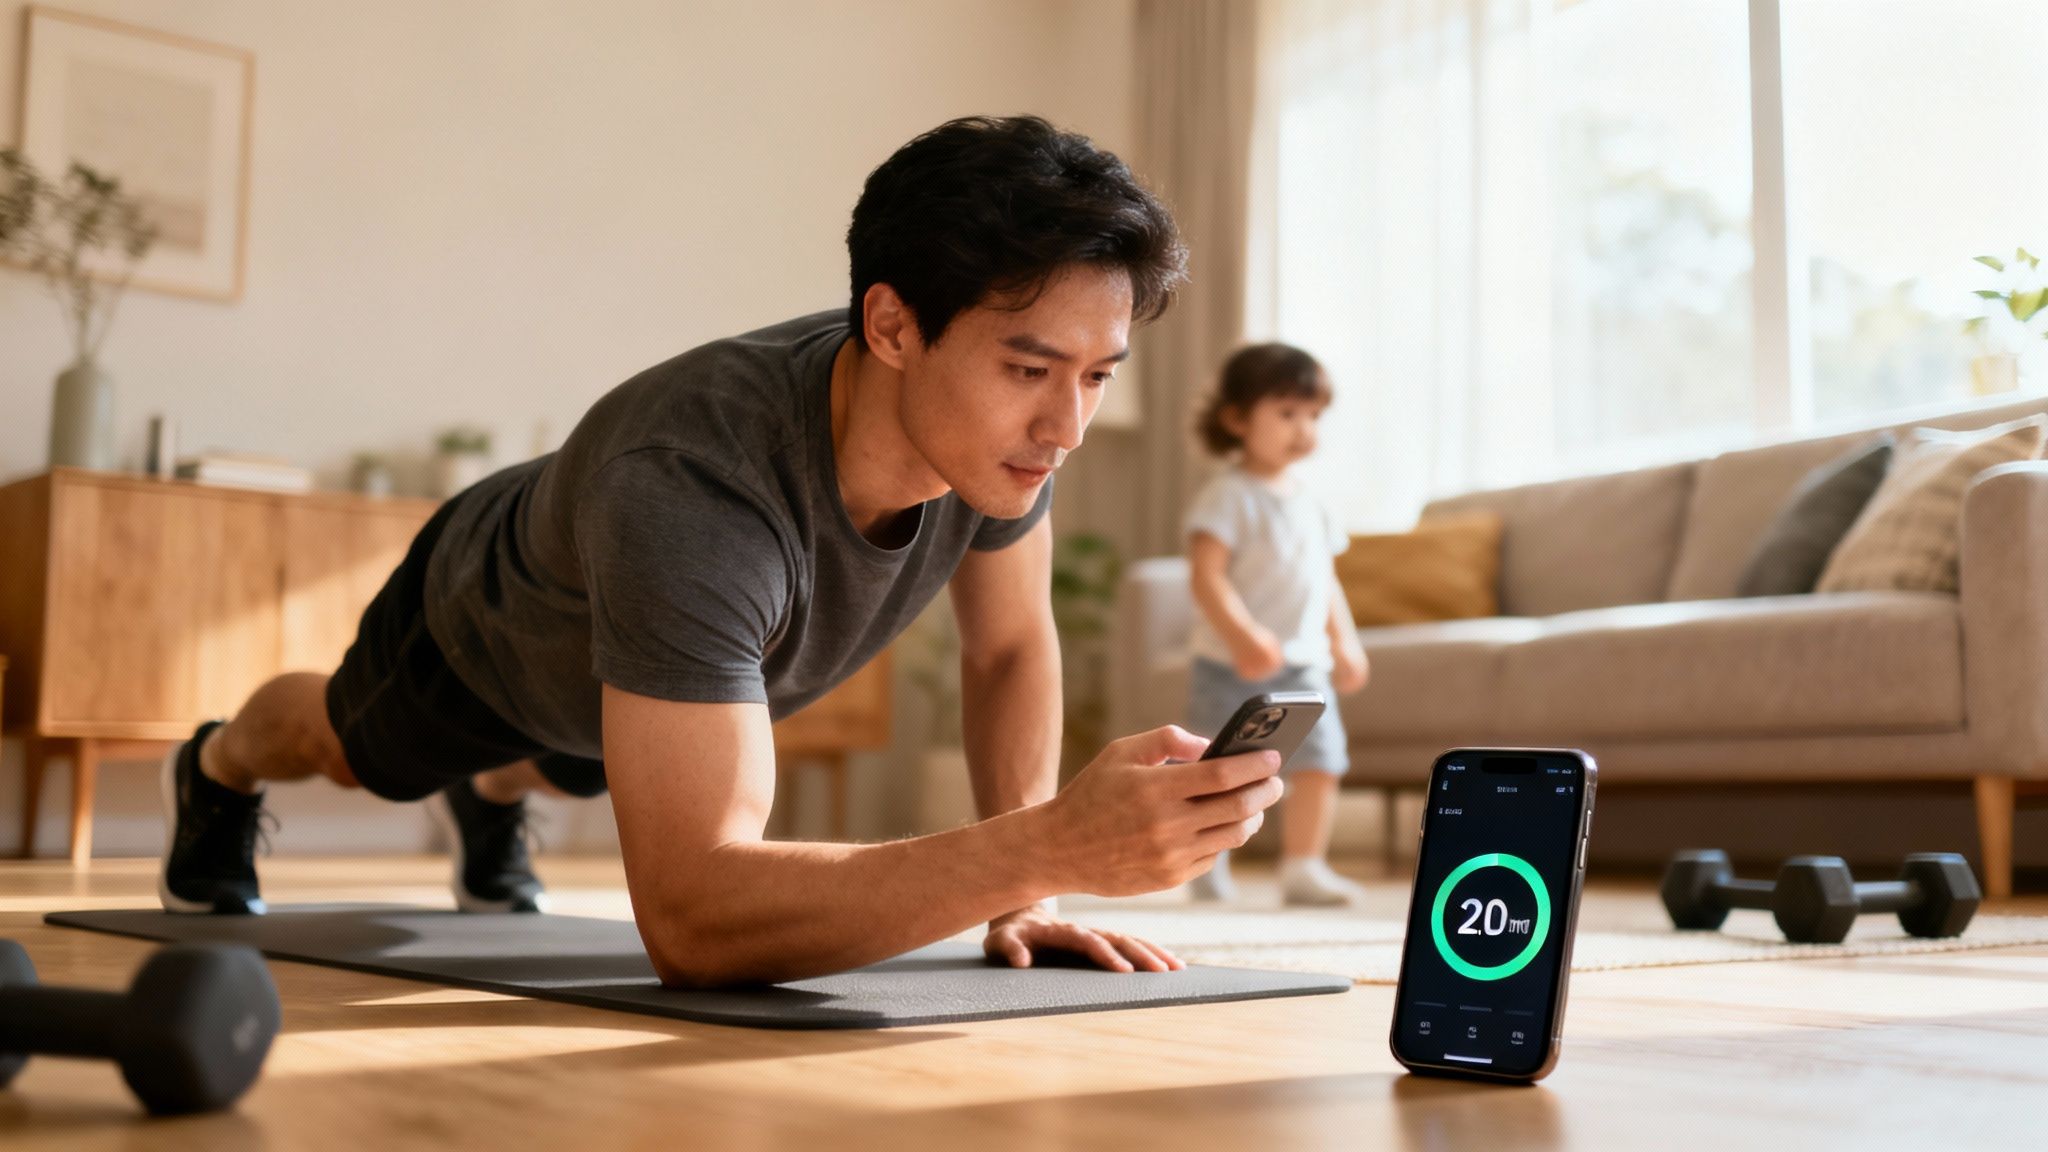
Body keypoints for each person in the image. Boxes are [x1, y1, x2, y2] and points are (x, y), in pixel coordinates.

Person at [159, 115, 1290, 987]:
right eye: (1030, 369)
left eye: (1096, 375)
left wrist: (1024, 898)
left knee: (574, 752)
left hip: (619, 664)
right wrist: (1043, 845)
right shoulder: (691, 486)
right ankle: (217, 766)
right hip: (483, 624)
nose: (1067, 428)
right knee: (358, 753)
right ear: (892, 327)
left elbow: (1006, 650)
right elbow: (696, 920)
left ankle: (505, 789)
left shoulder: (993, 441)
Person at [1182, 343, 1371, 906]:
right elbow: (1206, 577)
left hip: (1305, 664)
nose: (1303, 429)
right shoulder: (1228, 496)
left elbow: (1326, 583)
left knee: (1320, 761)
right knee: (1220, 768)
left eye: (1312, 415)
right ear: (1238, 419)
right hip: (1229, 665)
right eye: (1286, 414)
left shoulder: (1313, 503)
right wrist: (1242, 634)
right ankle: (1206, 863)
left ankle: (1303, 864)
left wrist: (1347, 644)